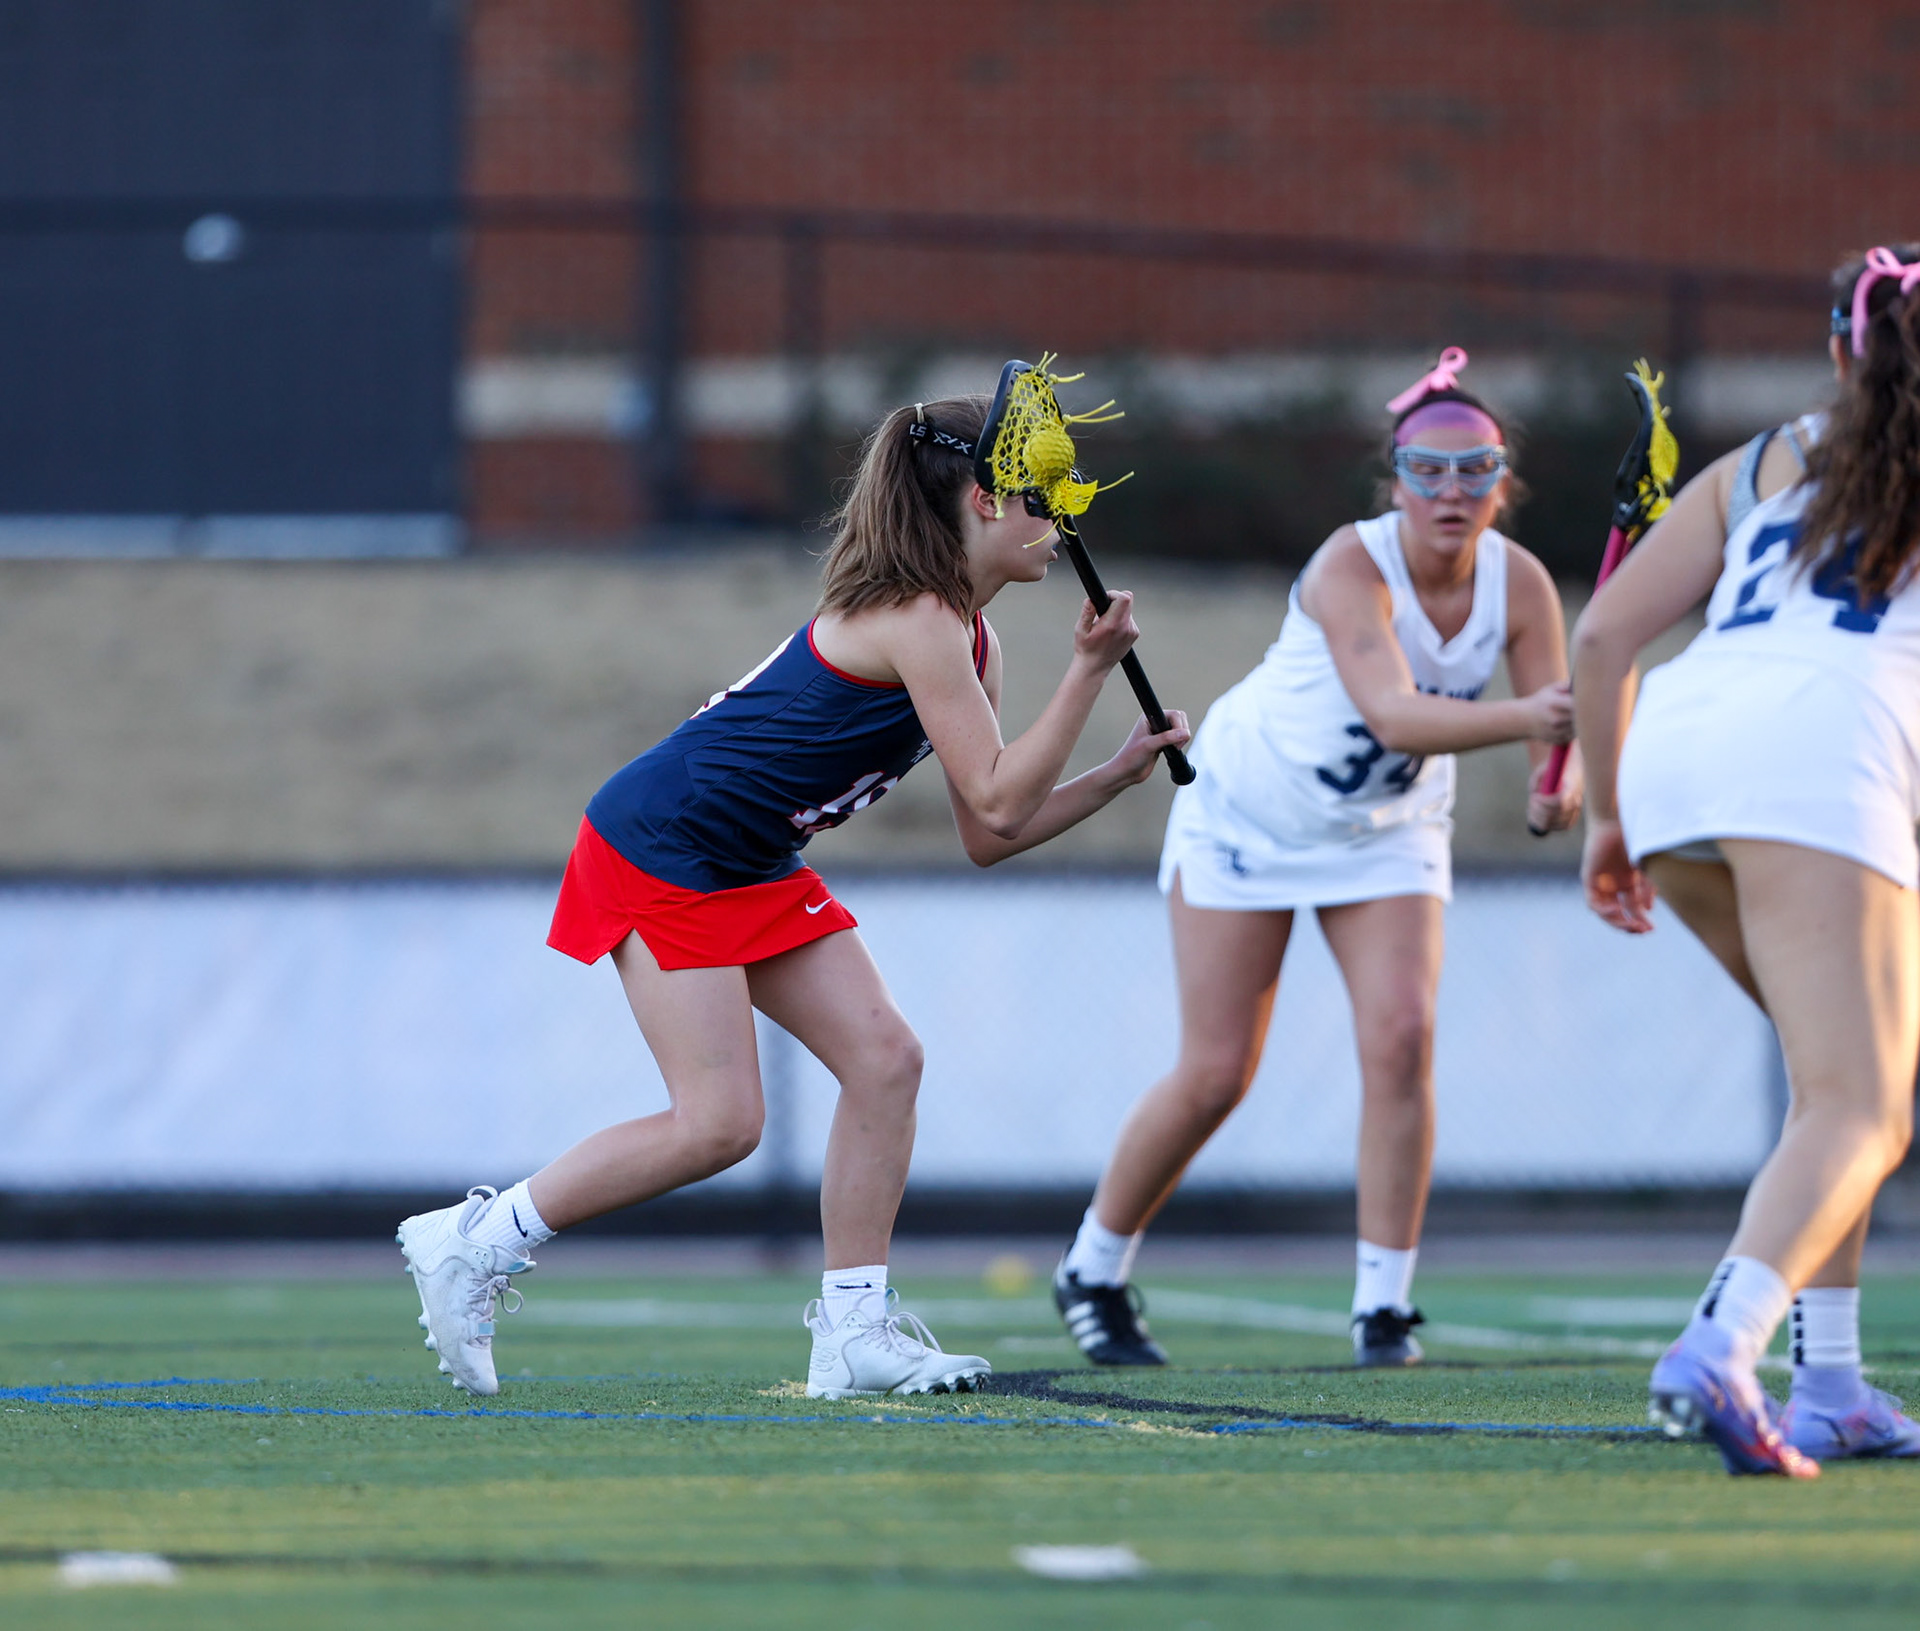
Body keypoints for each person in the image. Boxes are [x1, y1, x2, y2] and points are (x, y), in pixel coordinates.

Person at [396, 390, 1190, 1400]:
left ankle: (853, 1332)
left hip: (751, 856)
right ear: (987, 500)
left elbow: (990, 832)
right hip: (665, 843)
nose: (1062, 520)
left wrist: (1117, 772)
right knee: (718, 1123)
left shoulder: (970, 639)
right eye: (1044, 495)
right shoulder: (919, 617)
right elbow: (997, 790)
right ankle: (474, 1238)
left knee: (886, 1059)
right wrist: (1087, 675)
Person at [1053, 349, 1580, 1369]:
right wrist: (1537, 720)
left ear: (1502, 482)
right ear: (1394, 480)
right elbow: (1393, 708)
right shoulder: (1351, 561)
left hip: (1387, 833)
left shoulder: (1522, 586)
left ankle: (1385, 1307)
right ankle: (1094, 1264)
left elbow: (1558, 750)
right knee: (1215, 1073)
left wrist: (1559, 783)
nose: (1452, 490)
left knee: (1401, 1036)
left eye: (1476, 469)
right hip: (1246, 813)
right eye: (1428, 468)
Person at [1573, 245, 1920, 1477]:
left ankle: (1828, 1383)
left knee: (1837, 1091)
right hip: (1822, 755)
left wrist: (1610, 817)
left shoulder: (1764, 459)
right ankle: (1720, 1345)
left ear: (1841, 346)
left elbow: (1608, 630)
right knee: (1861, 1103)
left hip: (1680, 743)